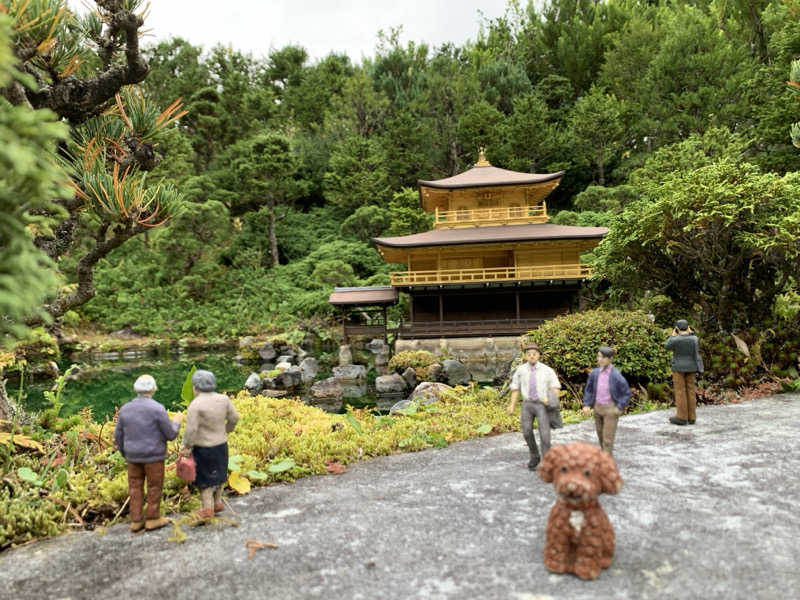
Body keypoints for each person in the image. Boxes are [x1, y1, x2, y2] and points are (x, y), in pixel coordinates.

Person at [114, 374, 182, 533]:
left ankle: (136, 520)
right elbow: (171, 434)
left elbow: (118, 436)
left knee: (134, 487)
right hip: (154, 457)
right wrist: (177, 421)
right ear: (153, 389)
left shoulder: (125, 409)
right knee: (154, 486)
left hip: (133, 456)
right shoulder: (157, 408)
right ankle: (152, 518)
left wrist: (125, 453)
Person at [181, 369, 239, 519]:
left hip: (203, 447)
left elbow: (191, 430)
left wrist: (187, 446)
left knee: (205, 480)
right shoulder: (224, 400)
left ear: (195, 387)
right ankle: (218, 502)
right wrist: (227, 429)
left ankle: (207, 508)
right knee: (219, 474)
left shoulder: (196, 405)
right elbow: (234, 418)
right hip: (221, 444)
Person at [507, 342, 561, 470]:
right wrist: (512, 405)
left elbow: (555, 386)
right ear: (525, 356)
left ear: (539, 355)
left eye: (534, 354)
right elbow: (515, 388)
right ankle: (534, 456)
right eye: (529, 354)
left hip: (542, 404)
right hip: (527, 404)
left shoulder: (547, 370)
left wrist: (551, 400)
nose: (532, 356)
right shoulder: (521, 370)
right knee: (526, 431)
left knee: (545, 435)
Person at [581, 346, 632, 456]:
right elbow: (589, 390)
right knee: (600, 435)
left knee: (608, 439)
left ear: (610, 359)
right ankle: (604, 456)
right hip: (598, 408)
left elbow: (626, 393)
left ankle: (606, 460)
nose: (600, 359)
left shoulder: (615, 375)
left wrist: (619, 407)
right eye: (599, 357)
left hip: (610, 410)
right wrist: (587, 404)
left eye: (603, 357)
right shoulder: (595, 373)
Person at [665, 319, 703, 426]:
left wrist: (673, 335)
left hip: (678, 368)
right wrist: (690, 332)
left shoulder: (675, 340)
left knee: (680, 391)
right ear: (688, 327)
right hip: (691, 367)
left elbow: (666, 346)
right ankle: (692, 417)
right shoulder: (694, 339)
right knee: (691, 391)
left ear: (677, 328)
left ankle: (681, 417)